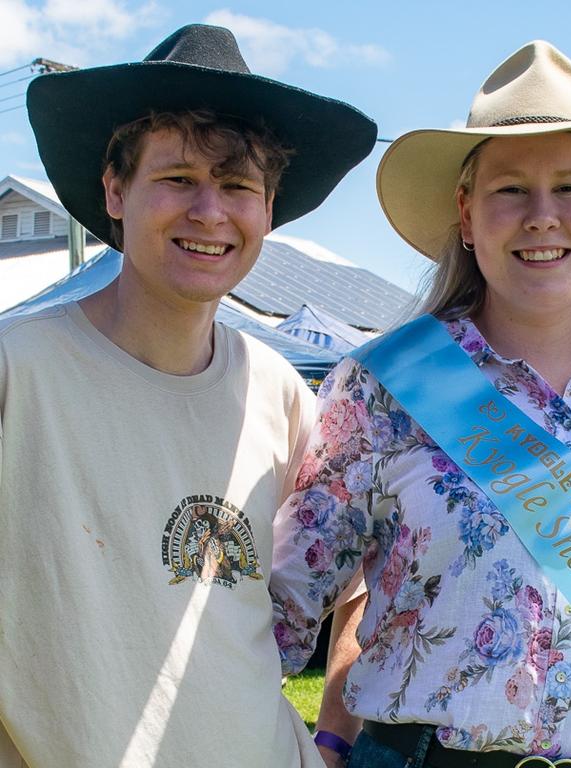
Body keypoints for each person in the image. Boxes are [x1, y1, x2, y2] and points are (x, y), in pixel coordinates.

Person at [270, 40, 571, 768]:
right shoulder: (381, 387)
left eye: (570, 188)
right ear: (467, 216)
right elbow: (282, 612)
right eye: (509, 190)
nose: (542, 216)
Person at [0, 23, 376, 767]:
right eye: (176, 178)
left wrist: (331, 737)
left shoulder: (282, 395)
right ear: (115, 191)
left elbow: (358, 580)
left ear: (268, 211)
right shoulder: (20, 372)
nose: (210, 211)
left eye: (239, 186)